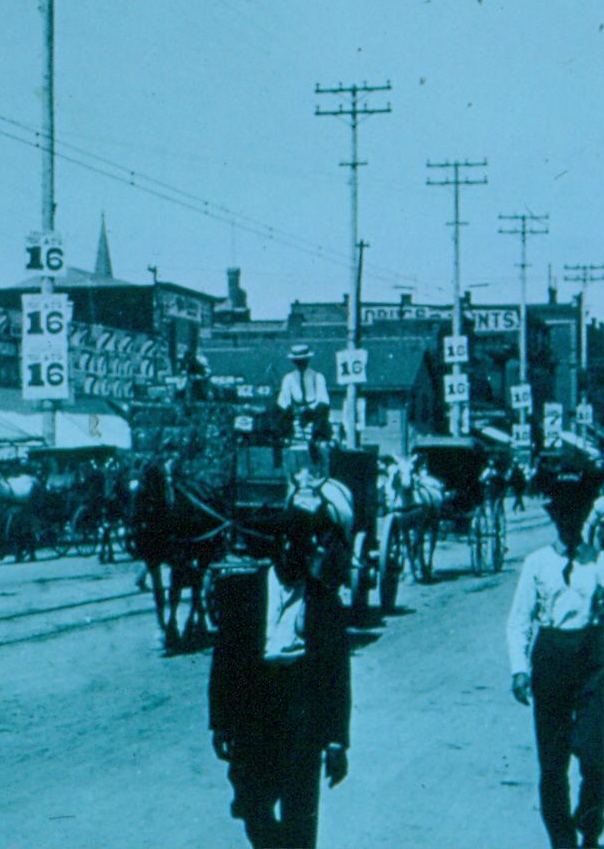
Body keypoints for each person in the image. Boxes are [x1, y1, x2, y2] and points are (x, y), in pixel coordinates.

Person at [208, 450, 353, 848]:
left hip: (301, 709)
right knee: (251, 805)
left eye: (302, 544)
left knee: (300, 816)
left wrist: (337, 741)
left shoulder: (325, 604)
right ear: (275, 546)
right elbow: (223, 663)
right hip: (255, 708)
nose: (294, 552)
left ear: (310, 550)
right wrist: (219, 721)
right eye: (287, 542)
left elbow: (337, 676)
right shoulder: (242, 595)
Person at [507, 485, 604, 849]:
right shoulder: (537, 563)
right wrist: (519, 668)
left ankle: (590, 829)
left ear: (584, 517)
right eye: (562, 515)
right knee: (552, 764)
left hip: (591, 661)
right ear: (553, 518)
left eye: (575, 515)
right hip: (550, 659)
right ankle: (561, 841)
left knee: (594, 759)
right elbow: (519, 620)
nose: (568, 523)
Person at [276, 344, 332, 444]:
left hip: (313, 411)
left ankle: (316, 440)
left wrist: (309, 408)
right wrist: (293, 408)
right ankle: (283, 438)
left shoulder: (317, 376)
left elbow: (323, 399)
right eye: (297, 361)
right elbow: (283, 399)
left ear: (307, 361)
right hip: (296, 410)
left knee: (322, 408)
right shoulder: (289, 378)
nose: (300, 364)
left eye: (303, 361)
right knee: (280, 410)